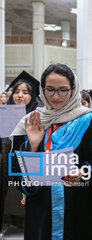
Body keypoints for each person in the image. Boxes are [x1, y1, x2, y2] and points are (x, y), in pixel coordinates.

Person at [10, 64, 92, 240]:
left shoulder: (89, 120)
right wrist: (33, 146)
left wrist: (83, 172)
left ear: (73, 89)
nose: (56, 96)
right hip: (41, 207)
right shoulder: (31, 121)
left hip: (77, 205)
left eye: (63, 90)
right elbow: (16, 171)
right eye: (50, 90)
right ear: (42, 90)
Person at [1, 71, 43, 232]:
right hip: (5, 168)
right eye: (17, 91)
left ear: (32, 96)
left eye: (25, 92)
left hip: (29, 170)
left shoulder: (39, 115)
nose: (20, 95)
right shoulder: (4, 113)